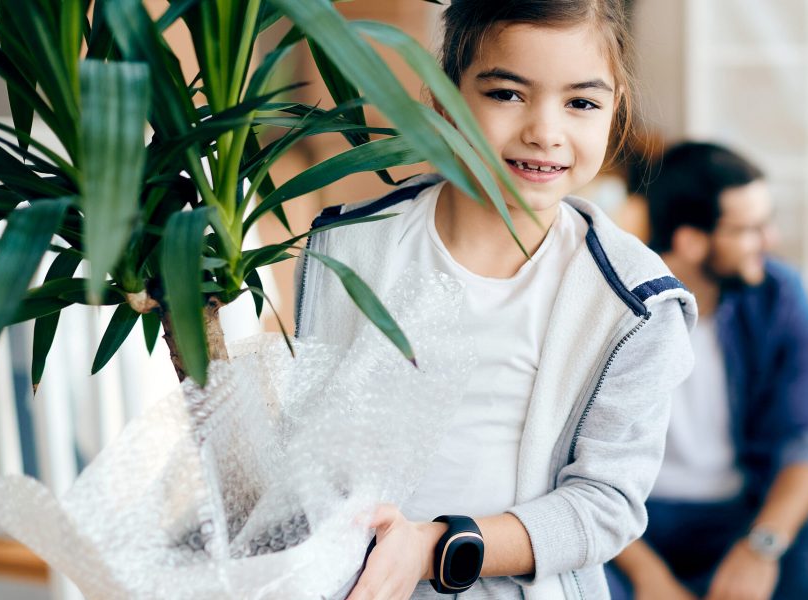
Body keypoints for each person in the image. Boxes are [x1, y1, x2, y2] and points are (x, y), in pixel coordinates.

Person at [292, 1, 697, 599]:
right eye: (508, 93)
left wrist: (434, 548)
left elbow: (605, 505)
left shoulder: (635, 302)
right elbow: (309, 433)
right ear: (441, 97)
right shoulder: (345, 245)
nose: (545, 131)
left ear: (616, 111)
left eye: (581, 102)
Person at [606, 142, 808, 600]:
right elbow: (568, 466)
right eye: (751, 229)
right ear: (689, 240)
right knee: (571, 581)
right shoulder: (612, 305)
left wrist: (761, 547)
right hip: (629, 523)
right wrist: (650, 577)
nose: (771, 240)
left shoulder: (778, 292)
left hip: (737, 515)